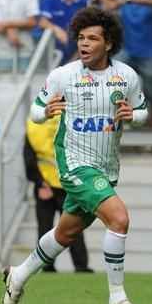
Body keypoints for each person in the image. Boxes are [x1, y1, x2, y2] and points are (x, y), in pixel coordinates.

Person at [3, 7, 146, 304]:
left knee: (65, 234)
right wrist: (48, 110)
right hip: (74, 164)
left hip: (106, 167)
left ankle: (19, 275)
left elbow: (141, 111)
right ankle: (117, 298)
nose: (84, 44)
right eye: (81, 38)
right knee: (119, 219)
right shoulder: (63, 75)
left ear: (108, 43)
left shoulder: (126, 76)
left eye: (92, 38)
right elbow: (36, 112)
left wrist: (132, 116)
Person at [23, 115, 91, 273]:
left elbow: (28, 158)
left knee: (45, 229)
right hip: (69, 184)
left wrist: (39, 182)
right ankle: (81, 266)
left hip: (45, 184)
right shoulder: (73, 121)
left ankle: (46, 265)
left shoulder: (33, 125)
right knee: (74, 227)